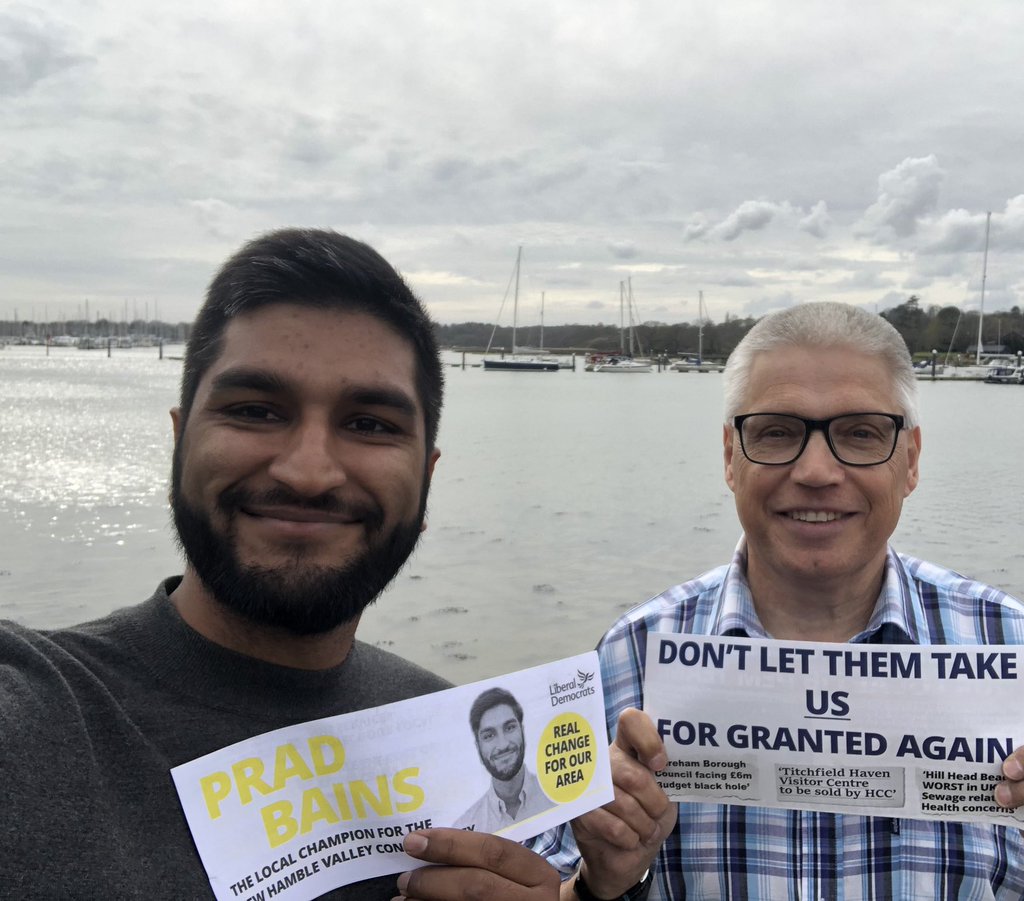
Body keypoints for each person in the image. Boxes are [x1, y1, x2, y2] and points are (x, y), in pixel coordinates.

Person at [0, 228, 634, 901]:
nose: (307, 471)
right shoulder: (33, 714)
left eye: (369, 423)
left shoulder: (449, 734)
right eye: (254, 410)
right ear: (180, 440)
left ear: (427, 477)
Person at [535, 303, 1024, 900]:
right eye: (779, 431)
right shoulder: (630, 657)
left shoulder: (1016, 645)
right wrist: (601, 883)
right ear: (731, 456)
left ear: (911, 460)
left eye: (862, 433)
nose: (816, 469)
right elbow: (543, 879)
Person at [455, 687, 556, 832]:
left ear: (523, 731)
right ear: (478, 747)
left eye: (509, 728)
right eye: (489, 736)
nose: (502, 745)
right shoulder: (464, 827)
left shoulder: (559, 798)